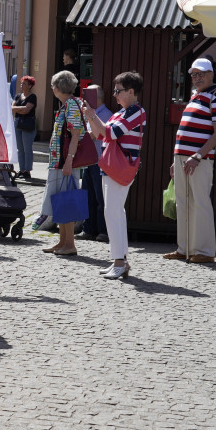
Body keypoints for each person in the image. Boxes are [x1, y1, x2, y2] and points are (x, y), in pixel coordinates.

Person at [81, 72, 146, 279]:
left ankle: (119, 261)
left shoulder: (136, 112)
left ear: (131, 91)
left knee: (113, 213)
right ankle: (120, 260)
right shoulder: (122, 112)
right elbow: (99, 133)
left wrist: (92, 114)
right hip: (112, 167)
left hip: (120, 168)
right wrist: (90, 116)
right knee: (115, 213)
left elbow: (109, 134)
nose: (115, 95)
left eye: (118, 91)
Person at [164, 57, 216, 263]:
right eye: (194, 74)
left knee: (200, 202)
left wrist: (197, 155)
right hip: (184, 157)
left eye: (201, 74)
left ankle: (205, 251)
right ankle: (184, 248)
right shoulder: (196, 96)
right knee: (183, 202)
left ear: (211, 74)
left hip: (198, 159)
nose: (197, 77)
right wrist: (177, 159)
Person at [34, 70, 84, 255]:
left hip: (65, 162)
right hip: (59, 161)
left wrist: (69, 161)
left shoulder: (71, 105)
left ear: (57, 87)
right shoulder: (68, 104)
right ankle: (62, 242)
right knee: (60, 202)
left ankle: (69, 244)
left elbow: (76, 135)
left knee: (67, 202)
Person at [78, 85, 111, 242]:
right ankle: (88, 229)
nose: (85, 98)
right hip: (90, 160)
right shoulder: (90, 113)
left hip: (100, 161)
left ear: (97, 97)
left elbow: (94, 134)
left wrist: (75, 136)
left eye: (88, 95)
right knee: (88, 196)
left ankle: (103, 231)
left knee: (100, 198)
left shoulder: (105, 114)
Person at [11, 75, 37, 180]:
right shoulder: (18, 96)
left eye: (24, 83)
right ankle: (21, 170)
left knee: (27, 148)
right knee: (20, 148)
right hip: (17, 123)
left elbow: (27, 110)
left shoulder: (32, 97)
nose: (22, 85)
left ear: (30, 86)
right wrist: (21, 109)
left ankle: (27, 170)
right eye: (21, 83)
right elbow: (12, 108)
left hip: (28, 123)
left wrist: (19, 109)